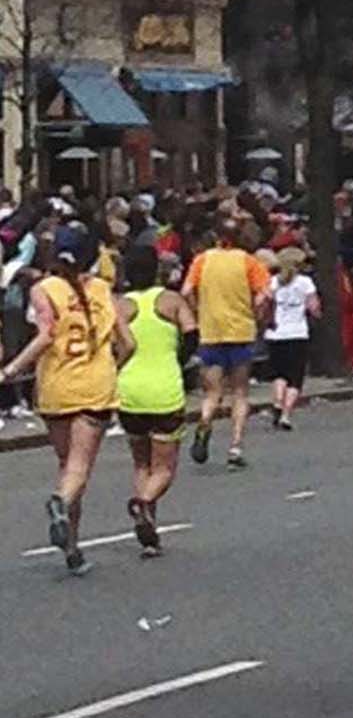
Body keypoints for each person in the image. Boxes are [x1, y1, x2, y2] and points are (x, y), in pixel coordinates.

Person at [0, 226, 135, 575]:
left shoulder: (43, 289)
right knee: (79, 469)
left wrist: (11, 369)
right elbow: (129, 343)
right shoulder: (103, 290)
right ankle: (60, 506)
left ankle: (72, 549)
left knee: (67, 466)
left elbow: (46, 335)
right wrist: (112, 366)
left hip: (56, 386)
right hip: (95, 387)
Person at [116, 246, 198, 558]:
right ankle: (144, 503)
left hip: (130, 390)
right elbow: (192, 335)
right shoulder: (170, 300)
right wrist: (178, 359)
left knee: (141, 461)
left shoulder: (121, 306)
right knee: (164, 468)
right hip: (164, 388)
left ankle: (149, 529)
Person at [183, 217, 272, 470]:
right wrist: (258, 314)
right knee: (240, 392)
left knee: (212, 391)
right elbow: (265, 294)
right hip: (240, 332)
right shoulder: (249, 261)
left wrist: (198, 310)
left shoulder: (202, 260)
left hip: (211, 332)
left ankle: (205, 421)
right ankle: (235, 445)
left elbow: (187, 290)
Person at [265, 247, 320, 431]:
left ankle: (277, 402)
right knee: (295, 377)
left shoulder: (273, 282)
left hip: (276, 333)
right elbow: (314, 308)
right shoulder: (305, 283)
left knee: (279, 373)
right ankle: (286, 415)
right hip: (297, 333)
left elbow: (266, 304)